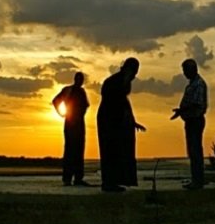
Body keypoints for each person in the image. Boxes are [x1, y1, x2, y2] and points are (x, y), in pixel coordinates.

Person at [97, 57, 146, 192]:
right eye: (134, 72)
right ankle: (109, 183)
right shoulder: (113, 82)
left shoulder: (123, 82)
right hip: (108, 119)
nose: (134, 76)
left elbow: (124, 103)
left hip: (116, 120)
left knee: (119, 151)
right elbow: (114, 103)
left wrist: (132, 121)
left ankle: (116, 181)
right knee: (110, 151)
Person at [171, 59, 208, 189]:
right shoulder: (193, 84)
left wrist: (182, 110)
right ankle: (196, 179)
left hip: (195, 120)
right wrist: (181, 111)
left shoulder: (198, 84)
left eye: (185, 70)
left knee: (195, 151)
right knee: (193, 151)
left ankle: (198, 181)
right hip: (191, 120)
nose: (184, 73)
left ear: (192, 70)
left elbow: (196, 103)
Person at [52, 71, 91, 186]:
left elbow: (86, 106)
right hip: (70, 122)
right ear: (75, 79)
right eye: (78, 79)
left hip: (80, 123)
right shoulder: (68, 90)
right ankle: (67, 178)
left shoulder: (82, 92)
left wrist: (81, 114)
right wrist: (61, 113)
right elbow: (55, 100)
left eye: (81, 80)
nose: (80, 81)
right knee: (69, 150)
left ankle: (78, 178)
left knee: (79, 150)